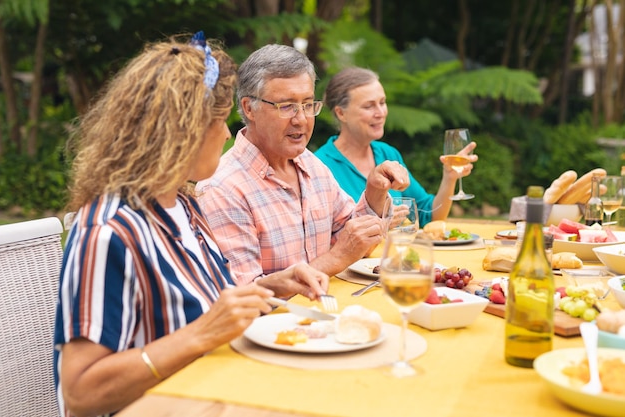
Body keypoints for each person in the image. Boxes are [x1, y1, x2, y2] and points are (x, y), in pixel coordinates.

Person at [54, 33, 329, 417]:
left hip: (218, 393)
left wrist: (270, 285)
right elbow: (79, 393)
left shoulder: (184, 204)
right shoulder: (108, 232)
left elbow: (213, 309)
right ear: (182, 133)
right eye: (218, 121)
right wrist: (201, 335)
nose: (227, 133)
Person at [195, 45, 409, 284]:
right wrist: (335, 259)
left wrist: (375, 192)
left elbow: (352, 239)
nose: (301, 119)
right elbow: (244, 295)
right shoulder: (222, 188)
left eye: (308, 105)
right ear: (249, 108)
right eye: (286, 106)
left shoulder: (309, 163)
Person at [315, 67, 478, 227]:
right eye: (368, 106)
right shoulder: (319, 166)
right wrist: (382, 223)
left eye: (382, 102)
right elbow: (323, 236)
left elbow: (429, 214)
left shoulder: (388, 154)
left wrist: (449, 178)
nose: (380, 113)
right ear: (341, 113)